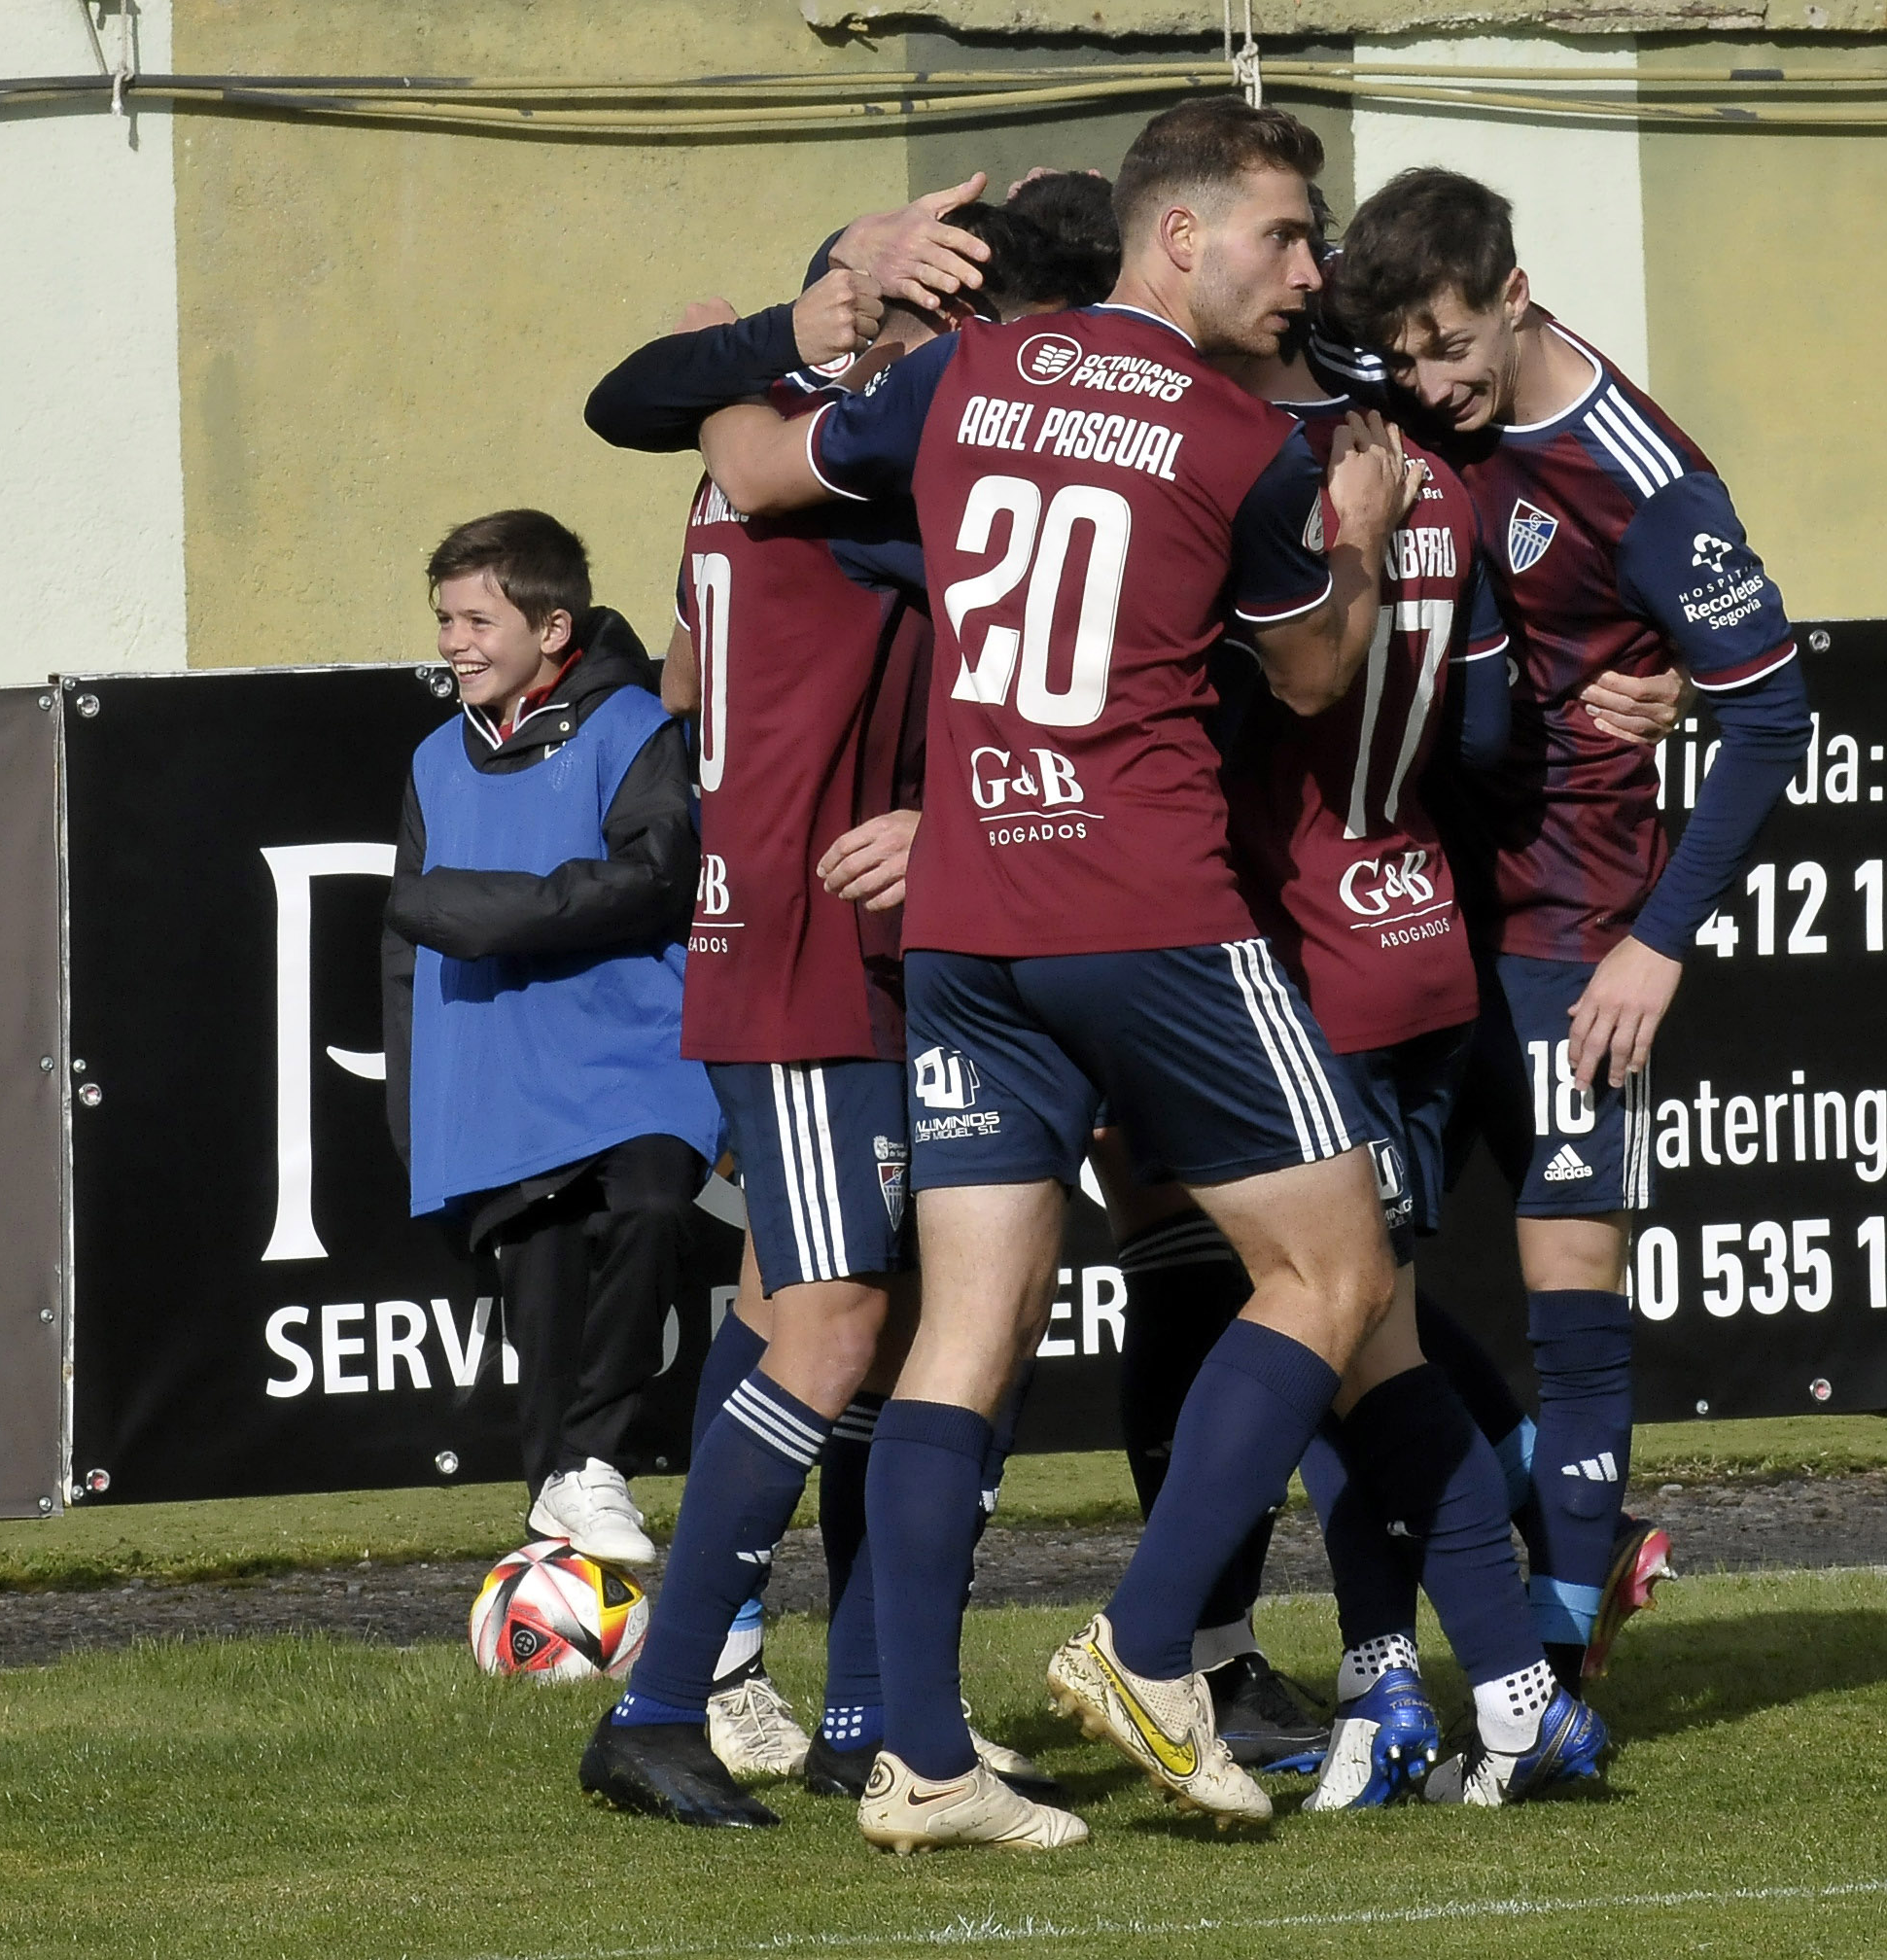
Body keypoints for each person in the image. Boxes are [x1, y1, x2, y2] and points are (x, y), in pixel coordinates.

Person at [695, 94, 1612, 1853]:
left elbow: (754, 468)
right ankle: (1139, 1646)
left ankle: (922, 1757)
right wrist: (1349, 532)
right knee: (1338, 1274)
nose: (1310, 268)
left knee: (965, 1337)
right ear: (1178, 234)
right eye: (1284, 234)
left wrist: (761, 340)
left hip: (967, 922)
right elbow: (1316, 682)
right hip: (1150, 909)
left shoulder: (970, 375)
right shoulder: (1233, 439)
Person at [575, 207, 1076, 1829]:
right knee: (844, 1327)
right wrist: (817, 326)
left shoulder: (774, 451)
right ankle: (666, 1696)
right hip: (803, 948)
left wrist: (782, 346)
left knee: (862, 1317)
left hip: (836, 942)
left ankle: (864, 1707)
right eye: (940, 328)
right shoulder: (859, 461)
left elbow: (688, 676)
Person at [1332, 168, 1811, 1691]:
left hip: (1568, 922)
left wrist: (1656, 943)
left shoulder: (1644, 477)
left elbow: (1771, 705)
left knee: (1566, 1263)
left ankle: (1553, 1645)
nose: (1428, 387)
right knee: (1344, 1273)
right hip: (1402, 904)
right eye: (1404, 358)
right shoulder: (1389, 391)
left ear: (1516, 295)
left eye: (1452, 349)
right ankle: (1554, 1515)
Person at [379, 509, 719, 1567]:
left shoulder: (632, 726)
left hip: (635, 1054)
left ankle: (595, 1464)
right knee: (542, 1298)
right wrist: (412, 1104)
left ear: (554, 626)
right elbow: (405, 943)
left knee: (657, 1203)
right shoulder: (437, 758)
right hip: (495, 1072)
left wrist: (487, 911)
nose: (453, 642)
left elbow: (657, 881)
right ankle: (555, 1551)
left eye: (478, 620)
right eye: (444, 620)